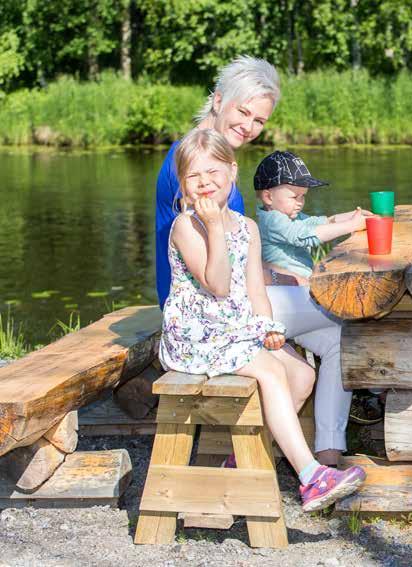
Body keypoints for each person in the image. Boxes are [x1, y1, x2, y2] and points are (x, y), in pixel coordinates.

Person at [158, 129, 365, 511]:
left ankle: (247, 456)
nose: (205, 182)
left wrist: (270, 328)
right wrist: (216, 228)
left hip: (235, 329)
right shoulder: (185, 227)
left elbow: (256, 290)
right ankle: (311, 477)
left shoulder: (249, 227)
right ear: (183, 185)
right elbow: (218, 285)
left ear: (232, 172)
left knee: (303, 374)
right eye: (194, 176)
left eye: (214, 172)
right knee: (272, 373)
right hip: (198, 337)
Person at [253, 150, 373, 466]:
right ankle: (375, 389)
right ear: (268, 195)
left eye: (303, 197)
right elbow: (307, 235)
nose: (299, 203)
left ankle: (329, 448)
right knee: (346, 311)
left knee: (340, 342)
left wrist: (352, 217)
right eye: (294, 195)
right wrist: (350, 227)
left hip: (292, 307)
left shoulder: (288, 215)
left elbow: (320, 221)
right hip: (273, 306)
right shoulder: (271, 221)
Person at [155, 55, 280, 308]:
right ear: (219, 100)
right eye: (243, 112)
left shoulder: (202, 157)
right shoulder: (192, 167)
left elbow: (234, 250)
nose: (248, 127)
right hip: (204, 308)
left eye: (259, 121)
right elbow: (215, 273)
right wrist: (279, 278)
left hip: (224, 297)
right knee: (324, 308)